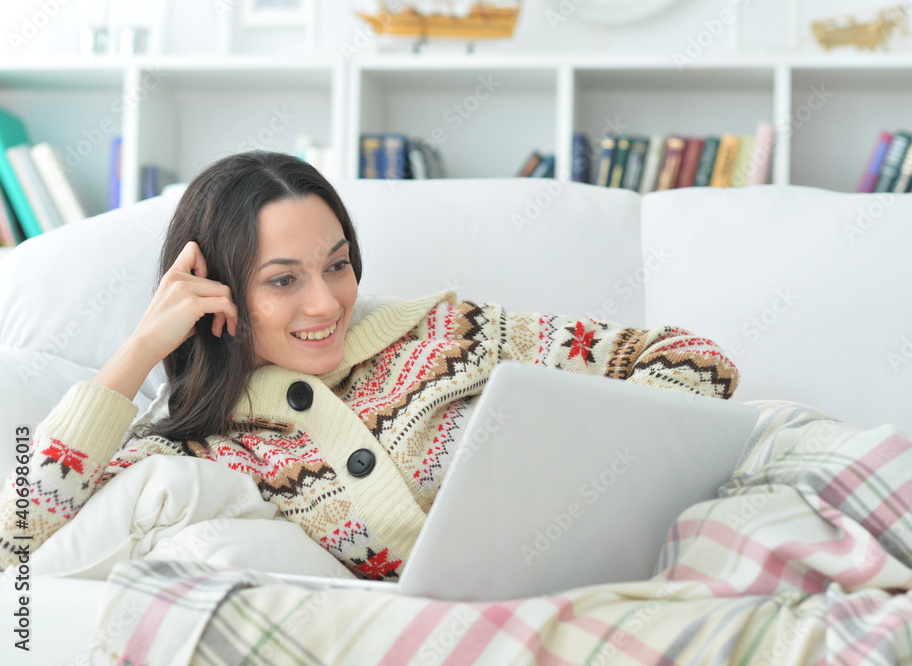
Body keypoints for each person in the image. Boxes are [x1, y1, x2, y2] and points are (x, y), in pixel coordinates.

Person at [0, 151, 740, 577]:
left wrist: (603, 471)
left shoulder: (449, 333)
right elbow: (14, 547)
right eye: (284, 280)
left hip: (650, 552)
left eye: (339, 265)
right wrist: (135, 356)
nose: (326, 303)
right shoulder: (203, 445)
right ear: (217, 295)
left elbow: (692, 362)